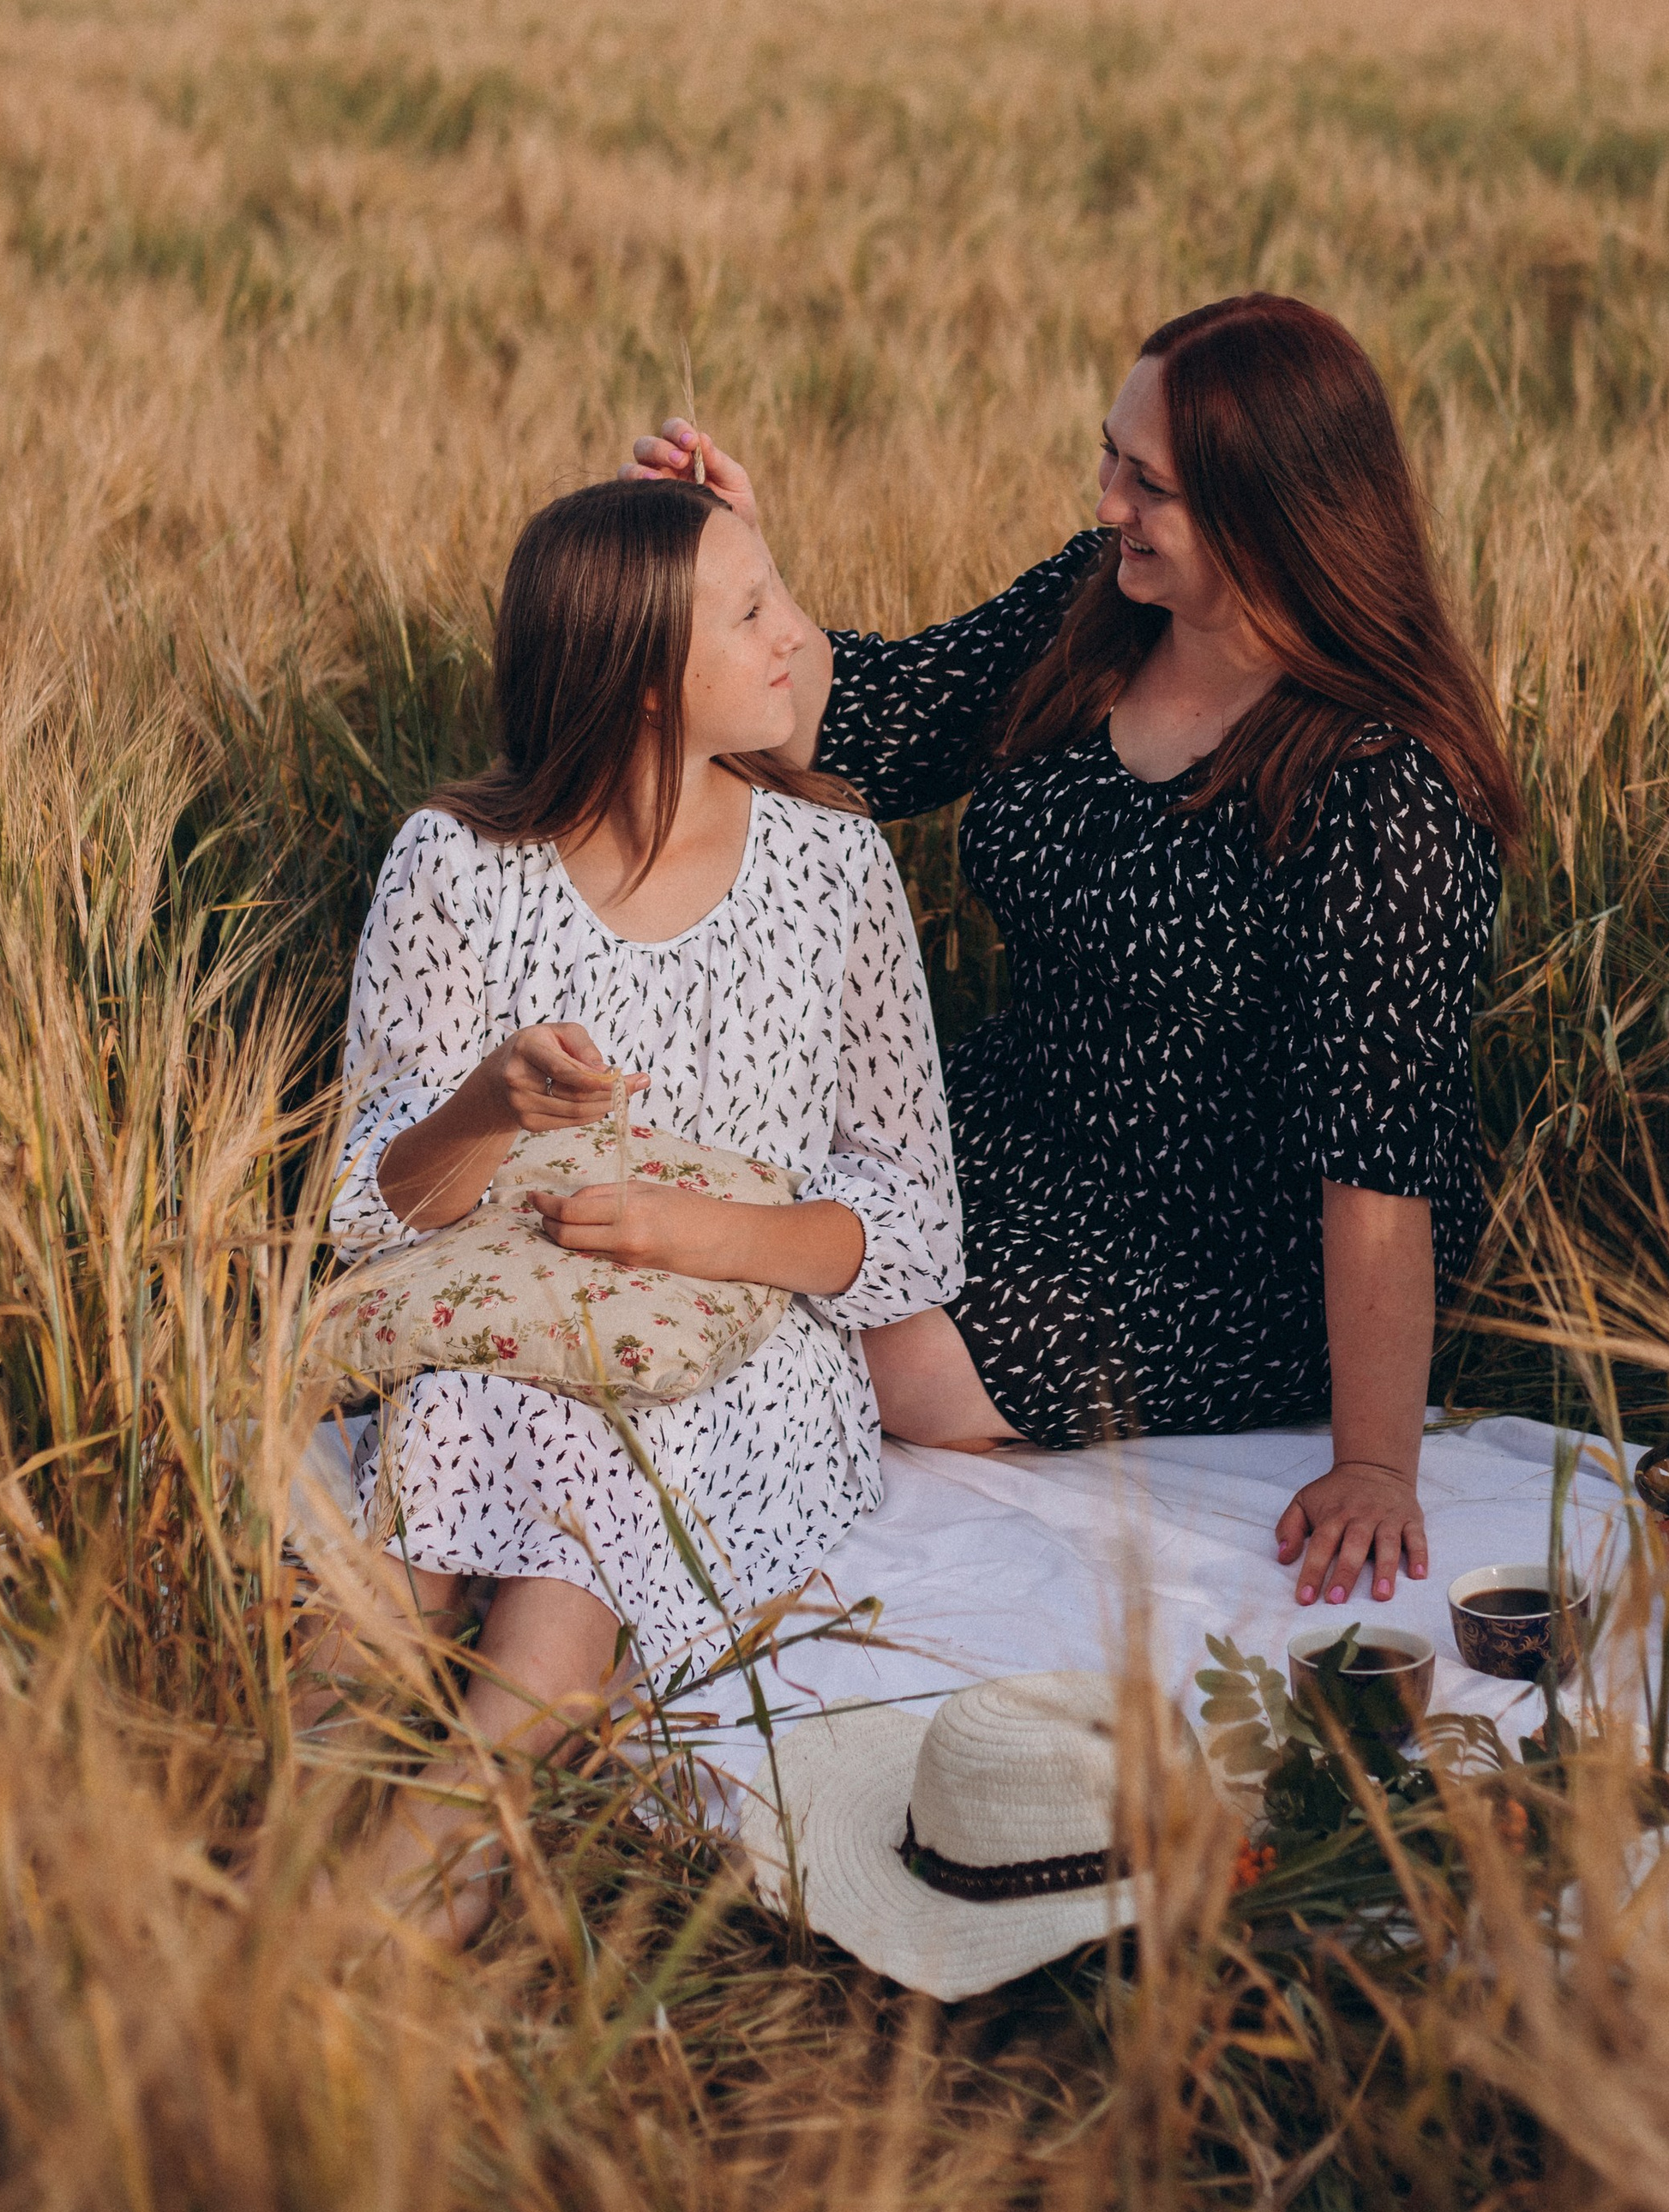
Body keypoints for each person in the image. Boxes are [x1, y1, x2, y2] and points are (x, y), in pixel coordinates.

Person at [624, 292, 1522, 1611]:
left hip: (1222, 1240)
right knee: (721, 1220)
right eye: (1112, 456)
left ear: (1271, 513)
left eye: (1148, 485)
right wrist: (741, 572)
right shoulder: (1098, 606)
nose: (1108, 502)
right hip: (1011, 1124)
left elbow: (1375, 1164)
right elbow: (875, 718)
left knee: (889, 1361)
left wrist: (1377, 1466)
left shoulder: (1386, 789)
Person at [330, 478, 962, 1937]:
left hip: (745, 1366)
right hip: (502, 1321)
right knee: (489, 1431)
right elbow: (368, 1214)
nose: (797, 640)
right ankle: (280, 1813)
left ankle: (436, 1853)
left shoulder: (832, 866)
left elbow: (920, 1217)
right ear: (644, 686)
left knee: (583, 1431)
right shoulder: (457, 866)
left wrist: (711, 1240)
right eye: (750, 613)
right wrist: (484, 1110)